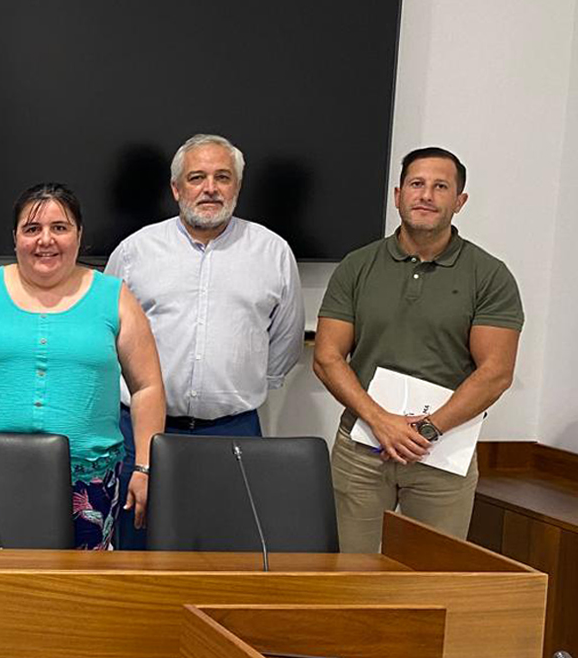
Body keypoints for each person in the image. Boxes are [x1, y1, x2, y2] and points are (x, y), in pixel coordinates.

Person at [0, 183, 164, 550]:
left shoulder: (114, 296)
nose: (45, 240)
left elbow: (147, 387)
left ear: (79, 235)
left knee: (76, 596)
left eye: (60, 228)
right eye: (32, 229)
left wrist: (144, 467)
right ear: (15, 237)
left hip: (88, 486)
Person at [313, 146, 522, 552]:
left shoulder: (490, 275)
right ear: (397, 195)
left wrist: (427, 430)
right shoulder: (357, 266)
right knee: (350, 576)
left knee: (433, 577)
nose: (426, 195)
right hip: (361, 450)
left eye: (440, 186)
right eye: (417, 184)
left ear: (459, 202)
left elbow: (495, 371)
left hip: (443, 452)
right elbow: (327, 358)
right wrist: (381, 421)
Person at [105, 133, 303, 549]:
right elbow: (108, 338)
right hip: (143, 433)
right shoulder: (135, 251)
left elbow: (284, 342)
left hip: (234, 432)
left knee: (227, 552)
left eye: (222, 177)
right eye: (197, 177)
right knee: (135, 551)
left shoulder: (273, 253)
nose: (210, 188)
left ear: (238, 187)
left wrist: (231, 388)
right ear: (176, 189)